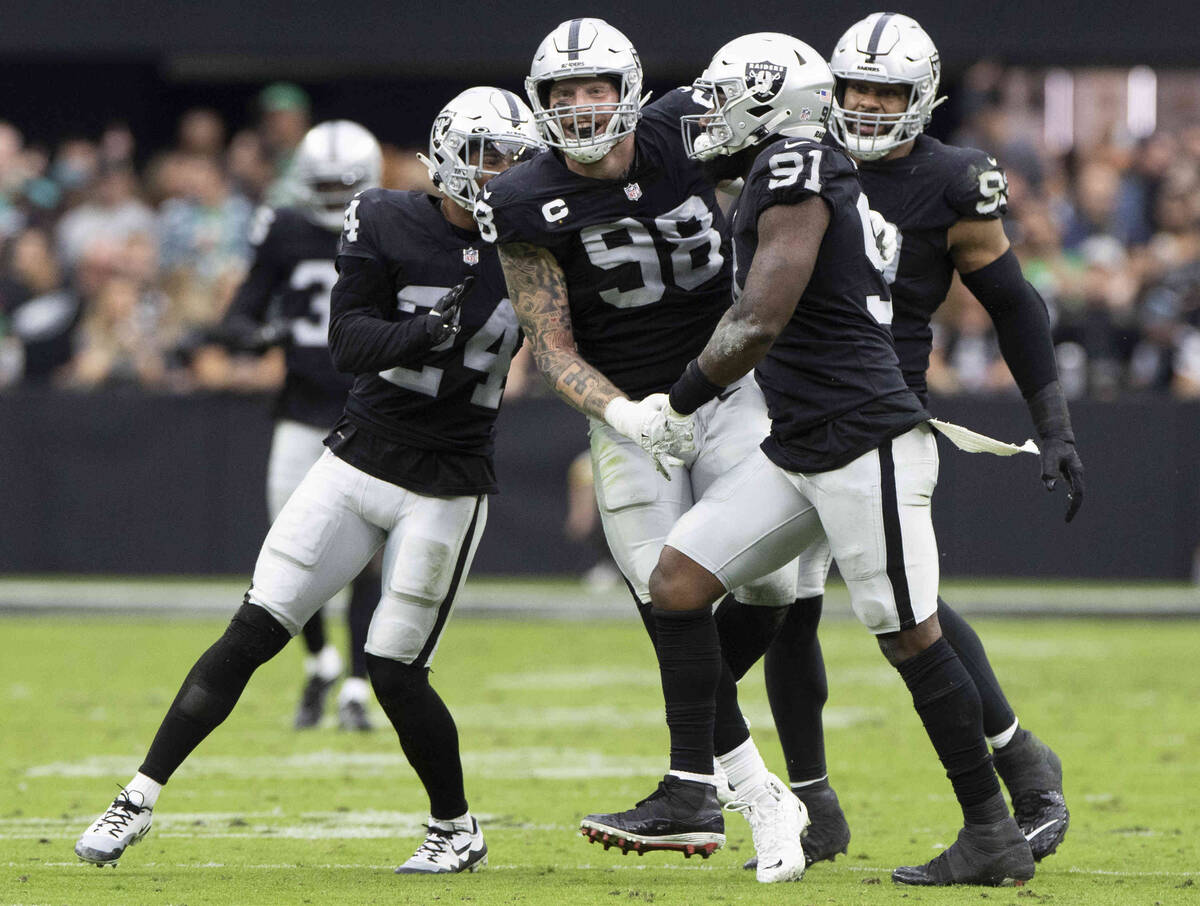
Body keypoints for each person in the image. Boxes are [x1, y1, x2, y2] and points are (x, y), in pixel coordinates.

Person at [582, 32, 1041, 887]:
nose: (708, 115)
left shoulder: (796, 169)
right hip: (800, 443)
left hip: (865, 439)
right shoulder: (794, 164)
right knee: (678, 585)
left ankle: (991, 828)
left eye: (726, 98)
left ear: (772, 105)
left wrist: (677, 403)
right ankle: (693, 785)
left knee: (911, 634)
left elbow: (759, 319)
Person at [73, 87, 544, 875]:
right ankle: (137, 796)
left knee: (395, 670)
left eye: (514, 158)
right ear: (449, 154)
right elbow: (349, 338)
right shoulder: (387, 217)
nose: (500, 172)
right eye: (488, 154)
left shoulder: (541, 245)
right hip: (357, 457)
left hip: (449, 481)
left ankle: (455, 827)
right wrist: (423, 331)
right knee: (252, 630)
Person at [475, 18, 815, 881]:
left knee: (769, 583)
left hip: (731, 389)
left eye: (595, 89)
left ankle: (691, 769)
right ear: (540, 102)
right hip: (632, 413)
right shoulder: (523, 199)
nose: (582, 107)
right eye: (563, 93)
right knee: (669, 599)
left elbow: (791, 151)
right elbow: (549, 345)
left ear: (628, 89)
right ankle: (746, 796)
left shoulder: (686, 129)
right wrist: (623, 416)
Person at [747, 11, 1081, 871]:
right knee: (786, 612)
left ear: (923, 98)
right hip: (781, 407)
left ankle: (1017, 767)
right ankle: (817, 806)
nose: (864, 106)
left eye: (885, 92)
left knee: (907, 613)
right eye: (853, 88)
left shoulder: (952, 182)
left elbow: (1012, 302)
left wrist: (1053, 423)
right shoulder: (796, 158)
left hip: (876, 410)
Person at [212, 120, 384, 731]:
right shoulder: (284, 229)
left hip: (371, 412)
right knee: (290, 552)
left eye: (346, 185)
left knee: (368, 557)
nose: (336, 198)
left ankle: (359, 687)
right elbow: (239, 314)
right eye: (324, 185)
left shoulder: (391, 223)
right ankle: (321, 662)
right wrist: (257, 335)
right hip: (301, 412)